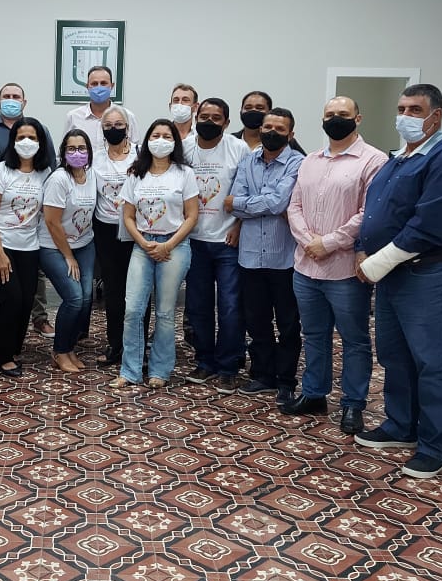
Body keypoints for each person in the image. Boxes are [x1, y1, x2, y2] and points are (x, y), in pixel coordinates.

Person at [354, 84, 442, 479]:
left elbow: (429, 225)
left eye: (415, 109)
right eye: (402, 108)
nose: (404, 116)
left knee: (431, 361)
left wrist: (380, 261)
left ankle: (435, 444)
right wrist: (363, 248)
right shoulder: (398, 159)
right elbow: (375, 212)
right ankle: (400, 425)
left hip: (429, 274)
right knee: (394, 355)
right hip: (393, 276)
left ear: (435, 116)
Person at [283, 97, 388, 434]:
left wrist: (327, 243)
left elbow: (369, 213)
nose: (335, 119)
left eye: (343, 114)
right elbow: (294, 206)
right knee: (314, 335)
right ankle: (314, 394)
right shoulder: (310, 160)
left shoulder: (374, 160)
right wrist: (308, 241)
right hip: (306, 267)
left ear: (358, 119)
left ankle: (353, 404)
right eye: (330, 114)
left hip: (345, 270)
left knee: (354, 339)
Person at [113, 119, 198, 389]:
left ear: (175, 142)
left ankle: (160, 370)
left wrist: (167, 245)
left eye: (166, 136)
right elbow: (128, 216)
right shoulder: (136, 173)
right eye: (155, 135)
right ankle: (130, 370)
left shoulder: (184, 173)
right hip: (143, 245)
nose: (160, 140)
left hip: (174, 247)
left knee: (164, 312)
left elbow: (191, 215)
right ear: (147, 140)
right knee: (133, 309)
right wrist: (144, 242)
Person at [230, 108, 304, 406]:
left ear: (291, 134)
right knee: (256, 320)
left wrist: (244, 203)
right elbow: (232, 204)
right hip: (250, 256)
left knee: (288, 323)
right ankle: (262, 374)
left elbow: (279, 202)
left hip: (284, 257)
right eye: (268, 127)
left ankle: (286, 380)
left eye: (279, 129)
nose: (272, 133)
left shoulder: (298, 163)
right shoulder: (247, 161)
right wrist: (248, 203)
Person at [182, 97, 251, 393]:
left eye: (216, 118)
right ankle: (205, 361)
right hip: (193, 240)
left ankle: (229, 366)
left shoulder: (239, 149)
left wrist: (239, 225)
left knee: (231, 306)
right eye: (204, 116)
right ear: (196, 117)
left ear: (226, 122)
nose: (209, 122)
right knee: (198, 306)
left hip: (227, 241)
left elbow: (248, 191)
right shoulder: (184, 148)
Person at [0, 82, 57, 338]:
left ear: (24, 102)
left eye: (16, 96)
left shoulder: (42, 132)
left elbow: (50, 167)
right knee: (5, 289)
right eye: (6, 96)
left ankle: (38, 317)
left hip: (31, 234)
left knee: (30, 286)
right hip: (1, 223)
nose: (11, 100)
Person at [0, 117, 52, 377]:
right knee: (11, 300)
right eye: (21, 137)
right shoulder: (0, 171)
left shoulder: (45, 173)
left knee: (26, 300)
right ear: (13, 142)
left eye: (32, 137)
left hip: (29, 245)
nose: (26, 142)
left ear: (40, 142)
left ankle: (14, 347)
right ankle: (4, 357)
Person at [39, 129, 98, 374]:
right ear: (63, 153)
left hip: (85, 244)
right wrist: (68, 256)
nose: (77, 153)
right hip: (53, 247)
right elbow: (52, 222)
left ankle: (70, 347)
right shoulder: (59, 179)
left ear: (89, 152)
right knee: (74, 298)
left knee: (86, 298)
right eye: (71, 149)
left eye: (81, 148)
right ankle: (60, 351)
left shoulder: (92, 175)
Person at [91, 106, 138, 368]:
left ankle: (137, 346)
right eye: (108, 125)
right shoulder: (96, 158)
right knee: (113, 290)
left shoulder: (140, 155)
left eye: (119, 124)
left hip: (135, 230)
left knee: (138, 291)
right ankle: (115, 344)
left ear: (127, 127)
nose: (113, 129)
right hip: (106, 230)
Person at [64, 65, 139, 152]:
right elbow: (64, 151)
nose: (99, 87)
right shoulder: (73, 117)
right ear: (87, 86)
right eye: (94, 84)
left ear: (112, 86)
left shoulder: (127, 117)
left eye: (103, 83)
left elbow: (136, 152)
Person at [233, 90, 308, 155]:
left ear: (269, 112)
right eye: (248, 108)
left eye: (259, 108)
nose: (253, 110)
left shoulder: (287, 142)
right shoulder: (230, 141)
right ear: (241, 111)